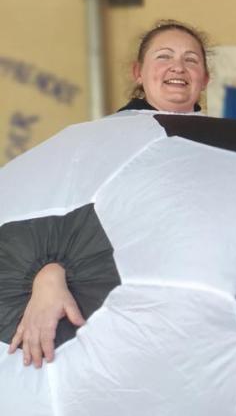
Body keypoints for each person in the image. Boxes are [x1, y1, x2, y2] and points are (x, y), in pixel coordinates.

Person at [7, 21, 211, 366]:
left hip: (196, 323)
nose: (178, 66)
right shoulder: (94, 144)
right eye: (164, 56)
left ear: (205, 78)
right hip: (119, 325)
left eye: (191, 59)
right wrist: (46, 274)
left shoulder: (230, 152)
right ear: (138, 72)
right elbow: (42, 213)